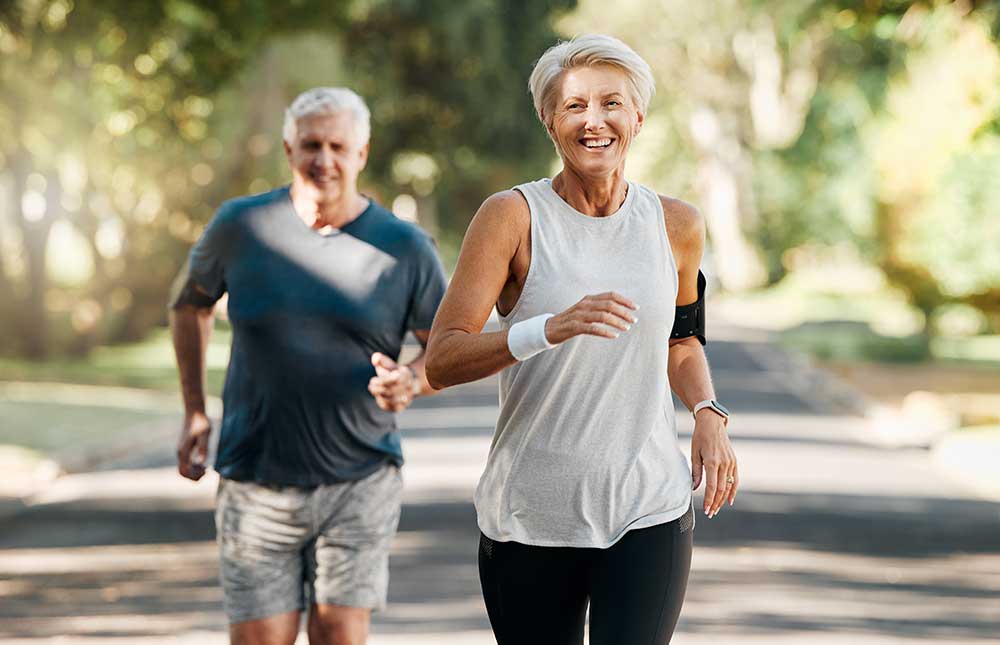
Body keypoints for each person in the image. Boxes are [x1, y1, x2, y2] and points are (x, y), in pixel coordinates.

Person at [424, 35, 739, 644]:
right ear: (549, 121)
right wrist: (548, 328)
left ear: (638, 118)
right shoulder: (510, 217)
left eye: (611, 103)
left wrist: (706, 410)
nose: (594, 121)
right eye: (574, 107)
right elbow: (442, 359)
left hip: (648, 506)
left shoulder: (677, 225)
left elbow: (683, 340)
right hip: (529, 516)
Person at [170, 87, 447, 645]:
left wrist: (411, 382)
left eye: (339, 146)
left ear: (361, 154)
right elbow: (190, 305)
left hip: (361, 476)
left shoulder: (405, 247)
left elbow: (447, 348)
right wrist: (196, 411)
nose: (326, 159)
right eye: (312, 145)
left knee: (339, 634)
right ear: (289, 149)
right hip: (255, 478)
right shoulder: (241, 226)